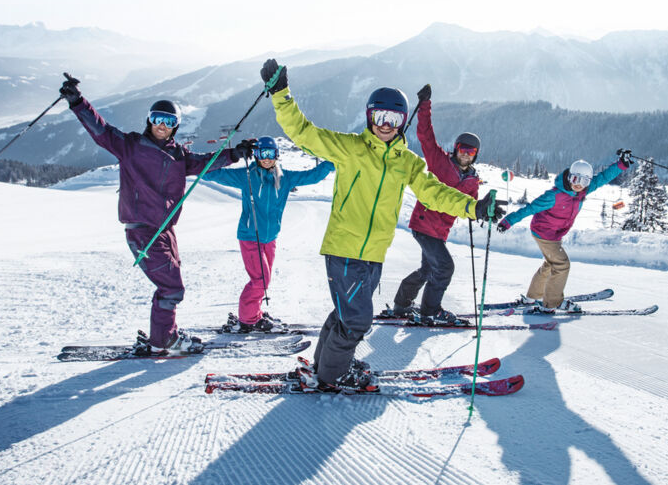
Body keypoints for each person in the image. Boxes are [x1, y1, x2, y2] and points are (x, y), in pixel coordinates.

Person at [259, 59, 504, 392]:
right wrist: (280, 93)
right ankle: (332, 377)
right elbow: (303, 132)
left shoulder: (408, 163)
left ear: (402, 122)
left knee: (345, 314)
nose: (385, 125)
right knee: (357, 320)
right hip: (344, 250)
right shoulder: (350, 149)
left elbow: (434, 194)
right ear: (369, 117)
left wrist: (473, 207)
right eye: (379, 117)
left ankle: (325, 365)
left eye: (393, 119)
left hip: (374, 253)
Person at [58, 75, 256, 354]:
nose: (162, 126)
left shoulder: (179, 155)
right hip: (142, 230)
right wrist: (77, 102)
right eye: (157, 119)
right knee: (171, 287)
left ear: (176, 126)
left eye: (169, 121)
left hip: (164, 230)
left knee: (170, 284)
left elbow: (206, 163)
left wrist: (235, 153)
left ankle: (163, 334)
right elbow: (100, 131)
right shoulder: (130, 146)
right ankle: (164, 340)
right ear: (149, 121)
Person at [201, 135, 335, 333]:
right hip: (250, 236)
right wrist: (232, 156)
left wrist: (333, 161)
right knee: (260, 279)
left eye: (270, 153)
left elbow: (312, 176)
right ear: (255, 155)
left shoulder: (285, 178)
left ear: (277, 155)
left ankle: (254, 311)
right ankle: (248, 319)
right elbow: (209, 174)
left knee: (263, 279)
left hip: (270, 238)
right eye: (262, 153)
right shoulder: (246, 176)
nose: (266, 158)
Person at [385, 83, 481, 326]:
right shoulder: (439, 161)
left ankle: (402, 303)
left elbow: (471, 205)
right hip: (424, 225)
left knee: (428, 271)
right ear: (455, 149)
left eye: (471, 152)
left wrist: (482, 210)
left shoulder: (472, 179)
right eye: (462, 149)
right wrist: (425, 105)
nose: (466, 154)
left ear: (475, 155)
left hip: (440, 231)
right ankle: (430, 310)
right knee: (444, 268)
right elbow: (425, 134)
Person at [497, 154, 631, 313]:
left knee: (550, 263)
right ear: (569, 177)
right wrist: (508, 221)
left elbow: (602, 178)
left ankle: (532, 297)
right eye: (576, 179)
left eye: (584, 181)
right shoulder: (554, 196)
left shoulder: (582, 191)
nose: (579, 185)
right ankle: (551, 303)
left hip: (554, 234)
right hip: (544, 233)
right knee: (562, 264)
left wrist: (621, 165)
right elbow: (530, 208)